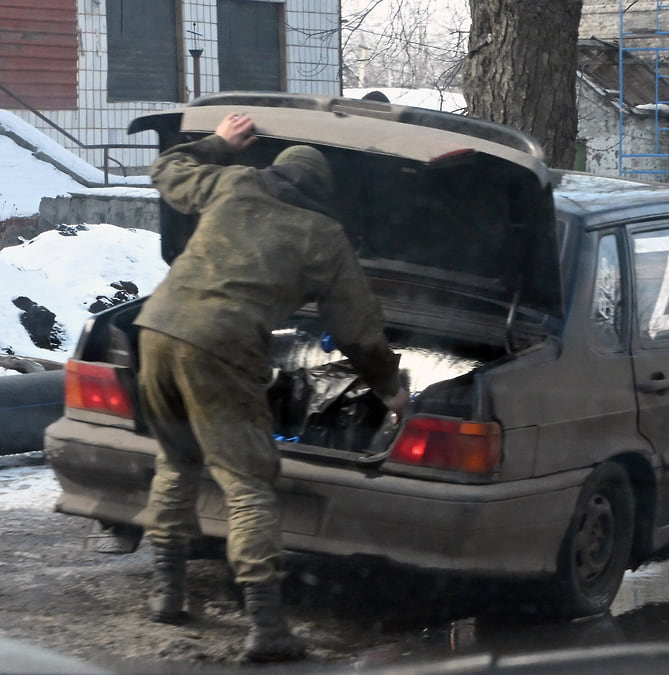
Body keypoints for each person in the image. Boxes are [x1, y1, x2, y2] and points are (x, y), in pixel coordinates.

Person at [135, 112, 408, 662]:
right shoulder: (324, 236)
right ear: (322, 193)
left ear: (276, 172)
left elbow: (166, 167)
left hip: (156, 329)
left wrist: (221, 142)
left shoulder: (235, 182)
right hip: (222, 344)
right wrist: (388, 386)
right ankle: (266, 627)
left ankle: (167, 591)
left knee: (177, 461)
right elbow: (357, 327)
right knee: (248, 485)